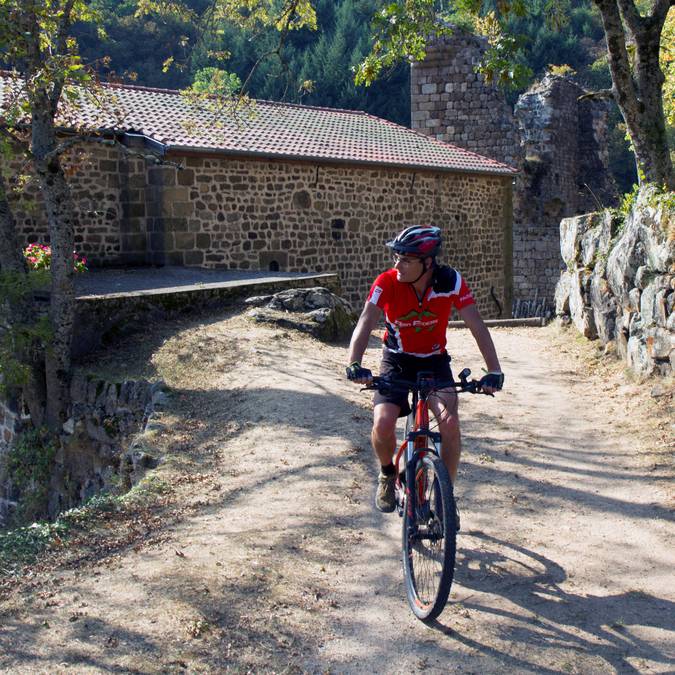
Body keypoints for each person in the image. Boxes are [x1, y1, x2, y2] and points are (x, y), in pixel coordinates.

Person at [345, 225, 504, 520]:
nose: (397, 265)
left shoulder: (451, 282)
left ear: (427, 263)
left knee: (450, 423)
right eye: (396, 257)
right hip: (396, 360)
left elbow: (477, 325)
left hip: (434, 362)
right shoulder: (387, 282)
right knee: (382, 424)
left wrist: (494, 370)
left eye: (405, 259)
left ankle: (445, 496)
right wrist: (355, 362)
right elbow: (366, 321)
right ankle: (387, 474)